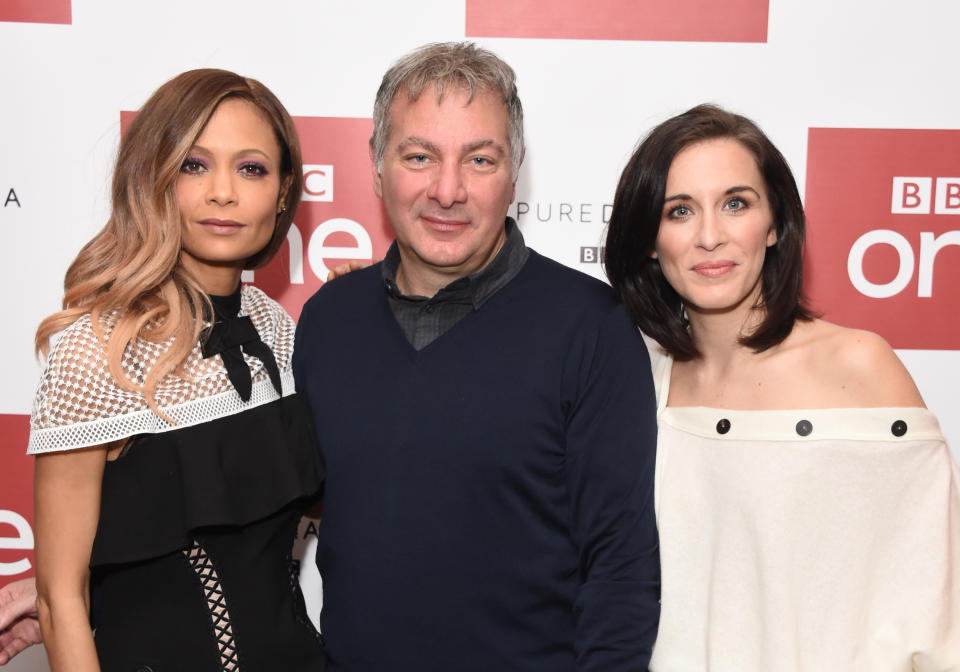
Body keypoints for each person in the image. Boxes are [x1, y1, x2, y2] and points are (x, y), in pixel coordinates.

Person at [293, 42, 660, 671]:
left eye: (479, 159)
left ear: (515, 172)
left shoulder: (591, 328)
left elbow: (620, 566)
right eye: (419, 156)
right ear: (378, 166)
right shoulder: (328, 319)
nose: (447, 189)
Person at [605, 104, 960, 671]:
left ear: (774, 225)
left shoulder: (858, 364)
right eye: (679, 211)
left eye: (736, 204)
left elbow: (934, 603)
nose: (710, 236)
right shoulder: (633, 381)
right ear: (649, 238)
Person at [22, 69, 327, 671]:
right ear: (152, 177)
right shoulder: (95, 349)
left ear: (284, 190)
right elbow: (60, 601)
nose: (223, 192)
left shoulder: (281, 330)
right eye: (194, 164)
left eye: (251, 168)